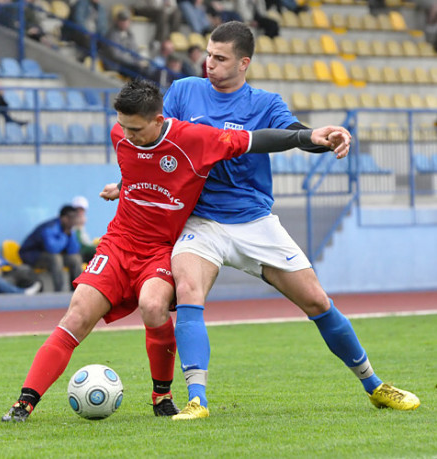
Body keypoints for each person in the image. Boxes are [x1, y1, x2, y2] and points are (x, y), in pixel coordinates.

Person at [2, 78, 351, 423]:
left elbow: (256, 140)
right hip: (119, 242)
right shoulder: (120, 134)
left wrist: (308, 137)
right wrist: (122, 186)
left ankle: (162, 396)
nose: (126, 135)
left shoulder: (195, 139)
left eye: (135, 129)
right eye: (122, 126)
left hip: (159, 250)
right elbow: (141, 167)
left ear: (158, 120)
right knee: (76, 315)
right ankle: (24, 403)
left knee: (153, 306)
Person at [159, 21, 420, 419]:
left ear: (244, 63)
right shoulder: (183, 91)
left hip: (253, 221)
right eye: (208, 54)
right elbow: (161, 146)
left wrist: (322, 137)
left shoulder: (263, 102)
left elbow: (296, 133)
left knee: (317, 300)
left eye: (220, 58)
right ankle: (198, 401)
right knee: (189, 290)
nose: (208, 63)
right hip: (202, 221)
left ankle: (375, 385)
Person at [19, 205, 83, 293]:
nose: (73, 221)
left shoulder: (69, 229)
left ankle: (77, 291)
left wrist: (70, 235)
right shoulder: (50, 227)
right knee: (56, 258)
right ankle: (59, 292)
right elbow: (52, 249)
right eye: (71, 218)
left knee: (75, 259)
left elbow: (73, 250)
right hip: (32, 255)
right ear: (63, 218)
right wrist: (64, 235)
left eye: (75, 218)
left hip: (49, 256)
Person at [102, 9, 150, 79]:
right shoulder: (112, 34)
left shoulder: (129, 34)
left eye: (126, 20)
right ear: (117, 21)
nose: (124, 23)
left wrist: (139, 60)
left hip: (128, 64)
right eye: (122, 20)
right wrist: (134, 62)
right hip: (116, 65)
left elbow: (134, 50)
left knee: (147, 69)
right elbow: (116, 55)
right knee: (138, 70)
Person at [71, 195, 97, 263]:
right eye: (77, 210)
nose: (80, 213)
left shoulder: (81, 228)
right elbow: (81, 246)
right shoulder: (72, 227)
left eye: (81, 210)